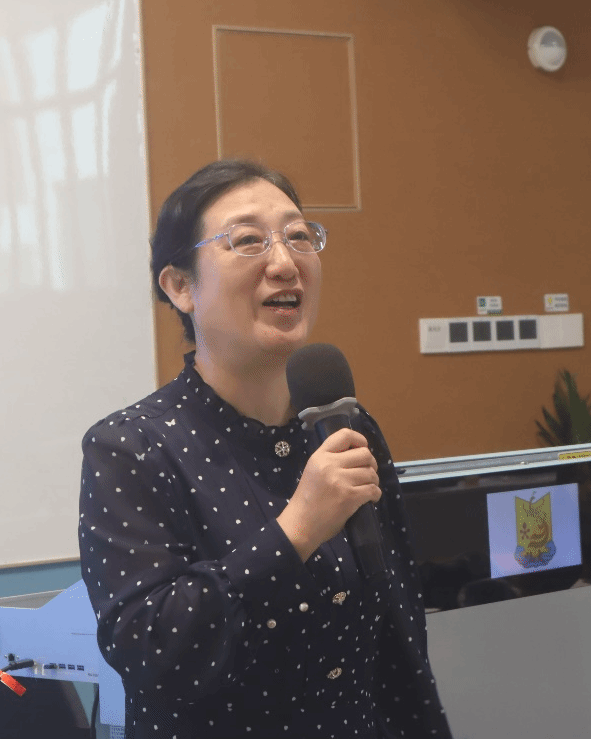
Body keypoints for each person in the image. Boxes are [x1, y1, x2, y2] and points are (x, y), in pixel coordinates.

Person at [78, 160, 451, 738]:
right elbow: (147, 649)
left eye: (299, 236)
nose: (284, 262)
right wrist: (296, 529)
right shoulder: (132, 447)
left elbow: (399, 637)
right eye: (248, 240)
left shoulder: (345, 427)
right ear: (180, 286)